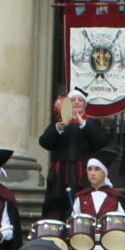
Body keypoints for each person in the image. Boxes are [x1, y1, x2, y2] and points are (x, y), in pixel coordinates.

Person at [38, 90, 112, 220]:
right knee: (59, 205)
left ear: (85, 105)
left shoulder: (92, 123)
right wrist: (58, 129)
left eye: (80, 100)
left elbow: (101, 141)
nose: (77, 102)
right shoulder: (60, 122)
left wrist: (84, 124)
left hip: (83, 171)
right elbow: (44, 142)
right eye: (73, 100)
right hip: (61, 171)